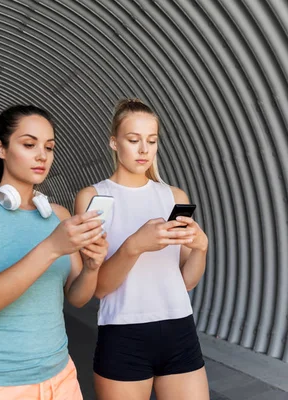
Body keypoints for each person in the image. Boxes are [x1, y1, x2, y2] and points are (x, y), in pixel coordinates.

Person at [0, 104, 108, 400]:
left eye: (49, 147)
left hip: (61, 376)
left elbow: (76, 297)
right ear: (1, 148)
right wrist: (51, 247)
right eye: (28, 144)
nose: (42, 155)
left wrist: (91, 266)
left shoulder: (58, 216)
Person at [75, 98, 210, 400]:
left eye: (151, 141)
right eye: (133, 140)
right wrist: (134, 246)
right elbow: (99, 288)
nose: (143, 150)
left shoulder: (174, 196)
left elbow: (185, 281)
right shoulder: (94, 197)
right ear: (114, 142)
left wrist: (201, 249)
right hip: (124, 333)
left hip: (179, 330)